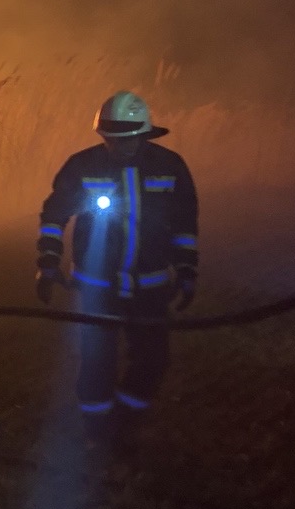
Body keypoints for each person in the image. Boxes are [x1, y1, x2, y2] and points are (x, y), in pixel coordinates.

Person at [35, 91, 199, 444]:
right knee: (96, 362)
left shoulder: (170, 167)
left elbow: (185, 223)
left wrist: (186, 269)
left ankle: (123, 421)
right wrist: (47, 260)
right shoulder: (82, 166)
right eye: (110, 139)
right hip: (97, 285)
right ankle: (97, 432)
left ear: (144, 134)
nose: (117, 146)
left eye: (125, 140)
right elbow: (54, 216)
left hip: (150, 286)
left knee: (153, 360)